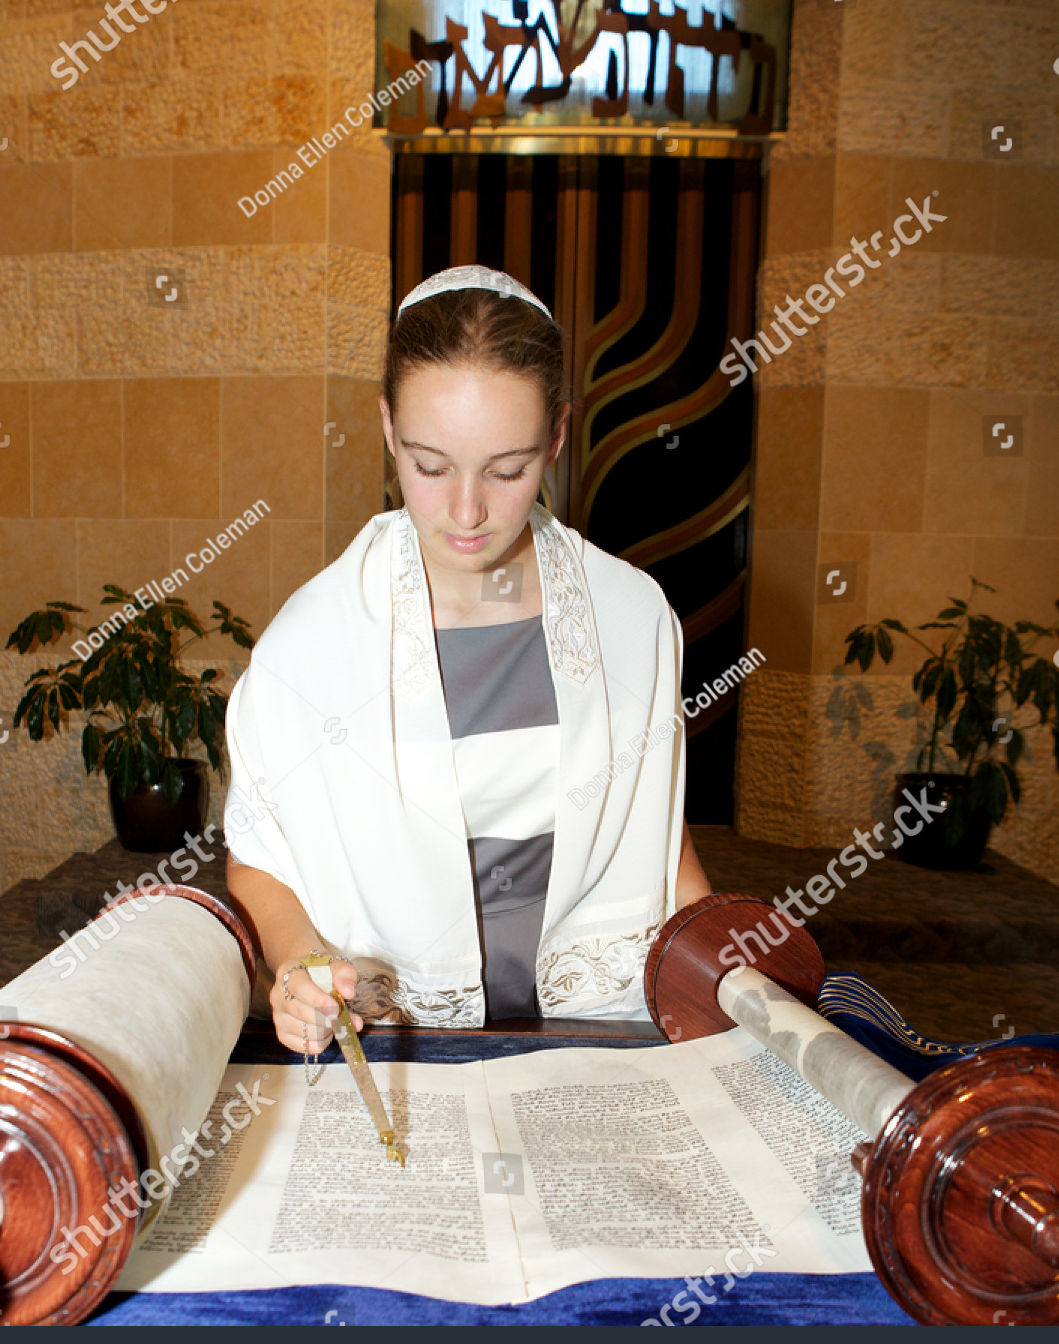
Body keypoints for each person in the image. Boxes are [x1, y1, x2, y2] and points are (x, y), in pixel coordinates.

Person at [223, 265, 713, 1058]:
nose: (467, 511)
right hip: (401, 1038)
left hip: (597, 1033)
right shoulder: (311, 644)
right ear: (387, 427)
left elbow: (660, 835)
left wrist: (722, 957)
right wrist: (296, 965)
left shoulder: (631, 618)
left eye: (508, 469)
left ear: (557, 436)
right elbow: (261, 858)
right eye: (430, 464)